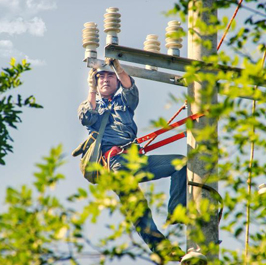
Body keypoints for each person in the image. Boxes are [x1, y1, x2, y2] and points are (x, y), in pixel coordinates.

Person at [77, 58, 187, 255]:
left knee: (180, 163)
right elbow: (87, 116)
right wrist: (91, 87)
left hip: (135, 160)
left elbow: (130, 89)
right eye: (101, 77)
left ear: (117, 80)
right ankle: (162, 248)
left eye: (110, 76)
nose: (105, 80)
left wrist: (118, 68)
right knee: (138, 207)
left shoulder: (124, 102)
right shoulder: (92, 104)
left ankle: (177, 213)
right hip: (116, 164)